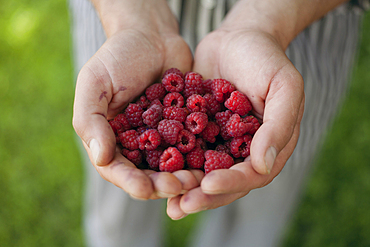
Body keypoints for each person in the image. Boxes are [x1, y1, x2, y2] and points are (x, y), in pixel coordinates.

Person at [70, 0, 368, 246]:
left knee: (261, 196)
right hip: (124, 24)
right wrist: (130, 19)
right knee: (119, 198)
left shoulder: (221, 118)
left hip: (292, 29)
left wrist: (266, 22)